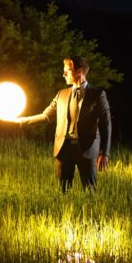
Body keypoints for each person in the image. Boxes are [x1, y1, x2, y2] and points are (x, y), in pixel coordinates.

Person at [17, 56, 111, 190]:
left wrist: (105, 152)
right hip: (63, 148)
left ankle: (89, 211)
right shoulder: (61, 94)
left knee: (90, 190)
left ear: (79, 71)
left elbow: (106, 124)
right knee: (63, 189)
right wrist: (20, 121)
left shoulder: (98, 94)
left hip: (87, 148)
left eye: (67, 70)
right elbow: (45, 116)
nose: (63, 74)